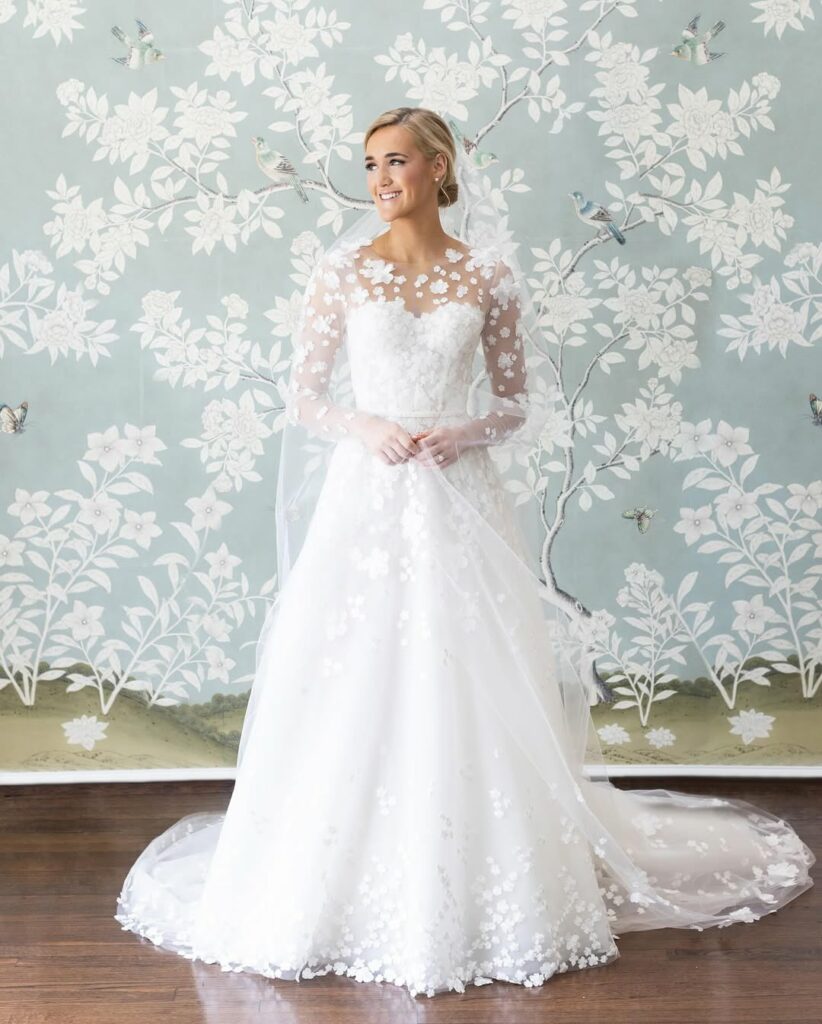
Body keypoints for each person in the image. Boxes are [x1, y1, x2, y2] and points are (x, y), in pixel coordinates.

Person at [114, 107, 815, 999]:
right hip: (369, 496)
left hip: (459, 493)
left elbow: (515, 403)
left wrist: (462, 432)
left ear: (439, 168)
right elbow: (306, 397)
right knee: (357, 663)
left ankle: (496, 874)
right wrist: (367, 426)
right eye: (370, 165)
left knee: (466, 663)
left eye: (396, 162)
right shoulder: (342, 270)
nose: (379, 180)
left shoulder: (488, 273)